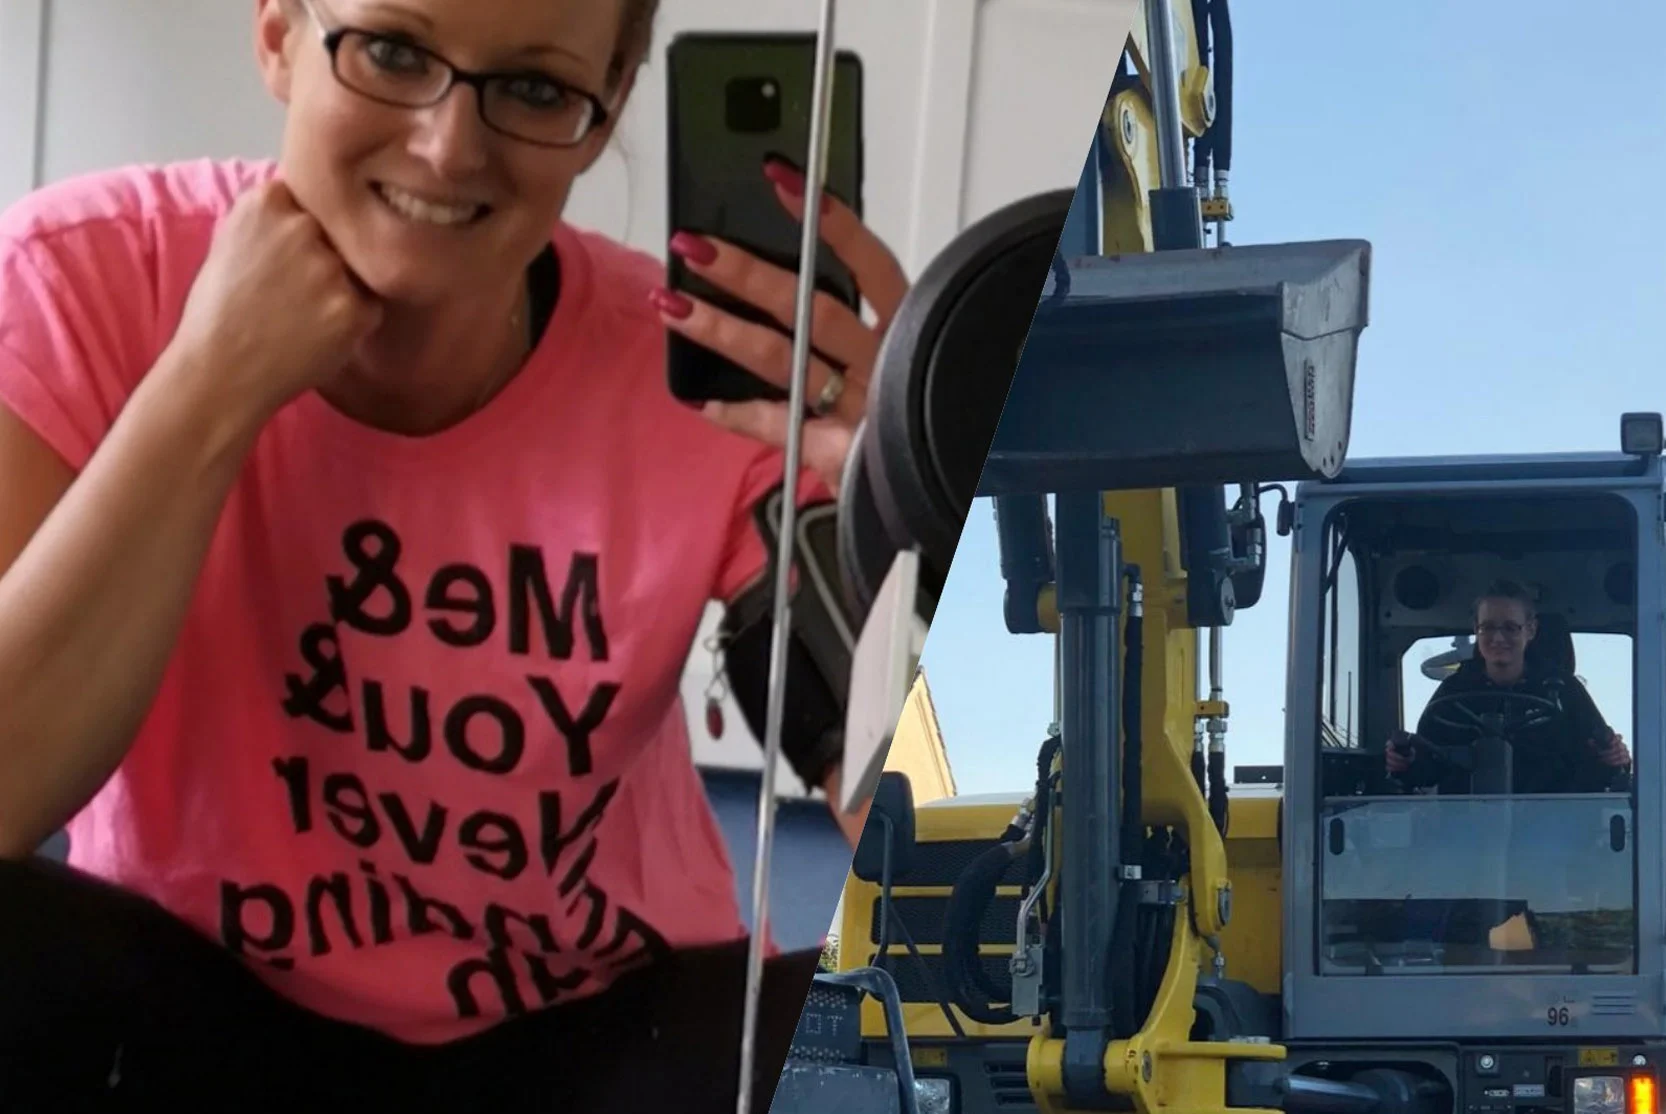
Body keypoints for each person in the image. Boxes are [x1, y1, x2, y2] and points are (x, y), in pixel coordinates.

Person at [0, 0, 911, 1108]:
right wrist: (209, 383)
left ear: (607, 102)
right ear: (282, 32)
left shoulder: (703, 375)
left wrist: (911, 506)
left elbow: (935, 829)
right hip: (189, 1013)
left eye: (533, 89)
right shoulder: (83, 277)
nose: (446, 145)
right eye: (391, 50)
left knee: (928, 1035)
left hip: (600, 1030)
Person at [1386, 580, 1631, 795]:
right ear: (1476, 629)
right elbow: (1425, 767)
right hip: (1463, 834)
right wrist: (1405, 759)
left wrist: (1613, 756)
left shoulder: (1565, 691)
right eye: (1488, 627)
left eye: (1510, 628)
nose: (1498, 638)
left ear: (1531, 630)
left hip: (1554, 834)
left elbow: (1602, 764)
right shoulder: (1453, 693)